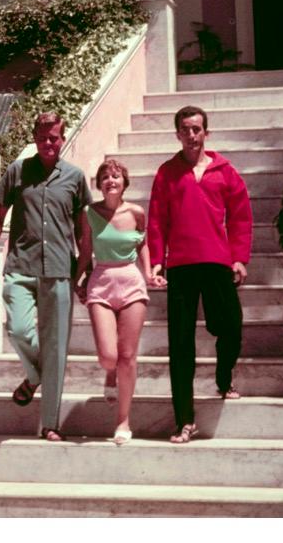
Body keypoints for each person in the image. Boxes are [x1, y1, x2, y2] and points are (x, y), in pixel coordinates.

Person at [0, 112, 90, 442]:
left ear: (62, 138)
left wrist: (84, 272)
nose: (48, 143)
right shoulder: (18, 171)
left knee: (56, 347)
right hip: (20, 265)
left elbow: (83, 230)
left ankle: (50, 424)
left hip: (60, 270)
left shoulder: (75, 177)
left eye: (53, 137)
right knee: (17, 330)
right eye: (42, 137)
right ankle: (35, 375)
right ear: (34, 138)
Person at [147, 104, 252, 444]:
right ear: (177, 134)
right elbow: (156, 219)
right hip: (180, 266)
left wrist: (239, 258)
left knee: (230, 326)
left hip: (218, 262)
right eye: (185, 129)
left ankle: (223, 376)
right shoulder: (167, 173)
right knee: (180, 344)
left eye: (196, 129)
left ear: (206, 132)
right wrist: (157, 259)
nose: (191, 135)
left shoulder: (225, 171)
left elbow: (240, 217)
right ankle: (184, 420)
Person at [76, 157, 162, 444]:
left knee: (127, 356)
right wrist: (76, 279)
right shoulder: (89, 212)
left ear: (125, 182)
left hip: (131, 283)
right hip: (101, 281)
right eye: (105, 177)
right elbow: (85, 249)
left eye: (115, 176)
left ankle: (123, 421)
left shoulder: (137, 212)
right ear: (99, 185)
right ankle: (109, 373)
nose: (110, 181)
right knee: (107, 357)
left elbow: (142, 243)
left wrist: (149, 274)